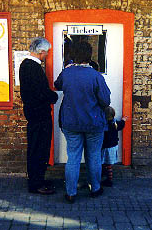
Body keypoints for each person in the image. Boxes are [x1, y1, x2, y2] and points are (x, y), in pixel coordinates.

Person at [54, 41, 111, 204]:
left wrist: (67, 69)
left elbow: (57, 85)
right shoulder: (95, 76)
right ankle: (95, 189)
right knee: (93, 156)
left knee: (73, 157)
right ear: (89, 56)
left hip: (71, 122)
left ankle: (71, 192)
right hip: (93, 123)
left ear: (73, 55)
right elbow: (106, 101)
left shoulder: (67, 73)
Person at [19, 37, 58, 195]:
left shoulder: (25, 65)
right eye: (46, 53)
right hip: (39, 114)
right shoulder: (33, 68)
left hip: (33, 113)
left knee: (36, 147)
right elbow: (41, 92)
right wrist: (54, 97)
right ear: (41, 52)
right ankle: (36, 184)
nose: (47, 55)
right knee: (39, 148)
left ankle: (37, 179)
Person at [101, 106, 127, 187]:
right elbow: (121, 125)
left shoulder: (103, 124)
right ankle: (109, 180)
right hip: (113, 146)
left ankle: (104, 177)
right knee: (109, 165)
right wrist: (123, 120)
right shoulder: (115, 123)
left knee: (103, 163)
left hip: (104, 147)